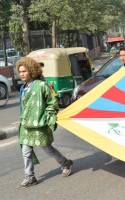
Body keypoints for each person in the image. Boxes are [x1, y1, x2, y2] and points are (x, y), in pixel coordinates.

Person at [16, 57, 73, 189]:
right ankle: (30, 177)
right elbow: (23, 108)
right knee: (26, 151)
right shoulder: (22, 88)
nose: (22, 74)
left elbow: (52, 103)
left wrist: (49, 118)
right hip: (26, 125)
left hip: (39, 125)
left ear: (31, 70)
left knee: (48, 149)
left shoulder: (41, 86)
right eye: (20, 72)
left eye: (24, 71)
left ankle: (65, 163)